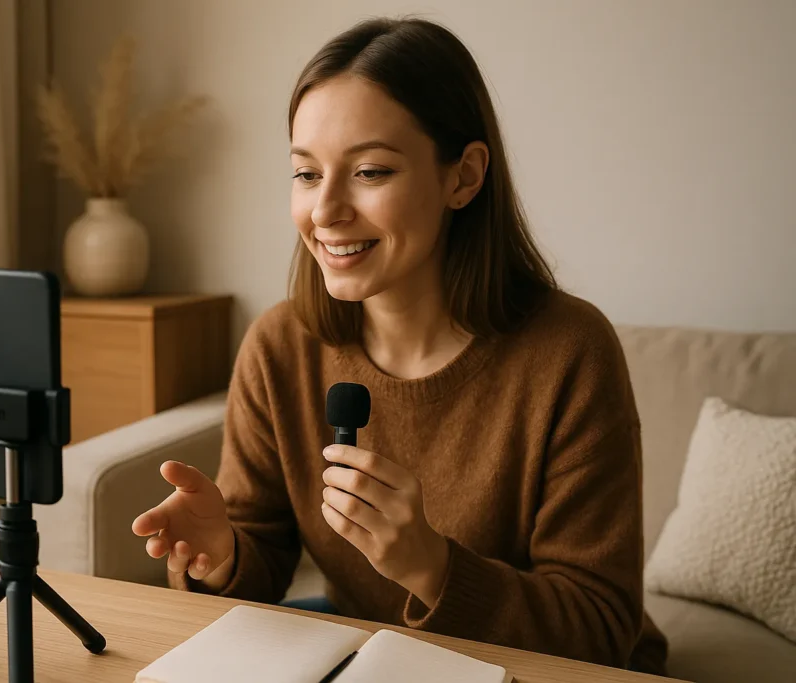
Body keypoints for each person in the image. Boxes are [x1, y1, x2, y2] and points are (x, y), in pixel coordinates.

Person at [131, 16, 668, 675]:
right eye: (305, 173)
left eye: (370, 171)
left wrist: (432, 567)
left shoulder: (570, 352)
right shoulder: (280, 346)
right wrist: (224, 551)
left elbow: (601, 626)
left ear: (463, 177)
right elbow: (261, 567)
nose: (325, 210)